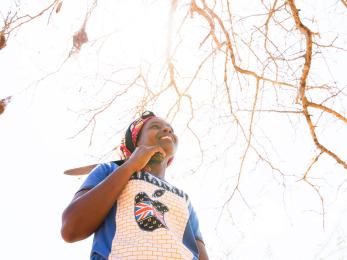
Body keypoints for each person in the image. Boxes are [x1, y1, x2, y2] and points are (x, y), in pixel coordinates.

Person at [61, 111, 209, 260]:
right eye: (155, 126)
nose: (167, 130)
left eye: (170, 129)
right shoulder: (109, 170)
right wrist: (130, 166)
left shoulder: (184, 199)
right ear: (136, 141)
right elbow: (71, 228)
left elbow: (200, 253)